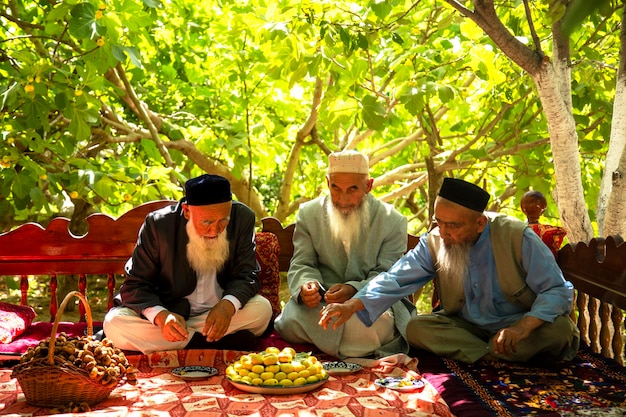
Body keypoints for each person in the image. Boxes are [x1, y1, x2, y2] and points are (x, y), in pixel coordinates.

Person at [320, 177, 580, 364]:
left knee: (560, 332)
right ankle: (494, 354)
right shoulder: (435, 241)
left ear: (480, 223)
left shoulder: (516, 237)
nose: (444, 233)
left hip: (520, 325)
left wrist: (523, 328)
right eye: (438, 222)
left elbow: (557, 290)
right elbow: (396, 278)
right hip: (468, 327)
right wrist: (352, 305)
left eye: (453, 226)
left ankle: (493, 353)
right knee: (417, 328)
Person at [103, 174, 273, 354]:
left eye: (223, 220)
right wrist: (161, 317)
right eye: (207, 222)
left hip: (217, 315)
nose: (215, 230)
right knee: (114, 323)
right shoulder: (158, 225)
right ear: (186, 211)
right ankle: (212, 343)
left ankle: (180, 342)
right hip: (172, 314)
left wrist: (227, 306)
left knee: (262, 310)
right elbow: (135, 284)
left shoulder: (242, 218)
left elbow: (247, 274)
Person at [274, 150, 414, 359]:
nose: (342, 199)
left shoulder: (393, 221)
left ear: (368, 185)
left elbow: (388, 274)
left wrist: (352, 289)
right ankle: (354, 349)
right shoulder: (309, 213)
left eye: (352, 189)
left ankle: (329, 343)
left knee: (369, 323)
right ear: (327, 182)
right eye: (335, 188)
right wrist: (307, 285)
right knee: (291, 318)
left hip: (370, 301)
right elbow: (303, 262)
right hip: (321, 305)